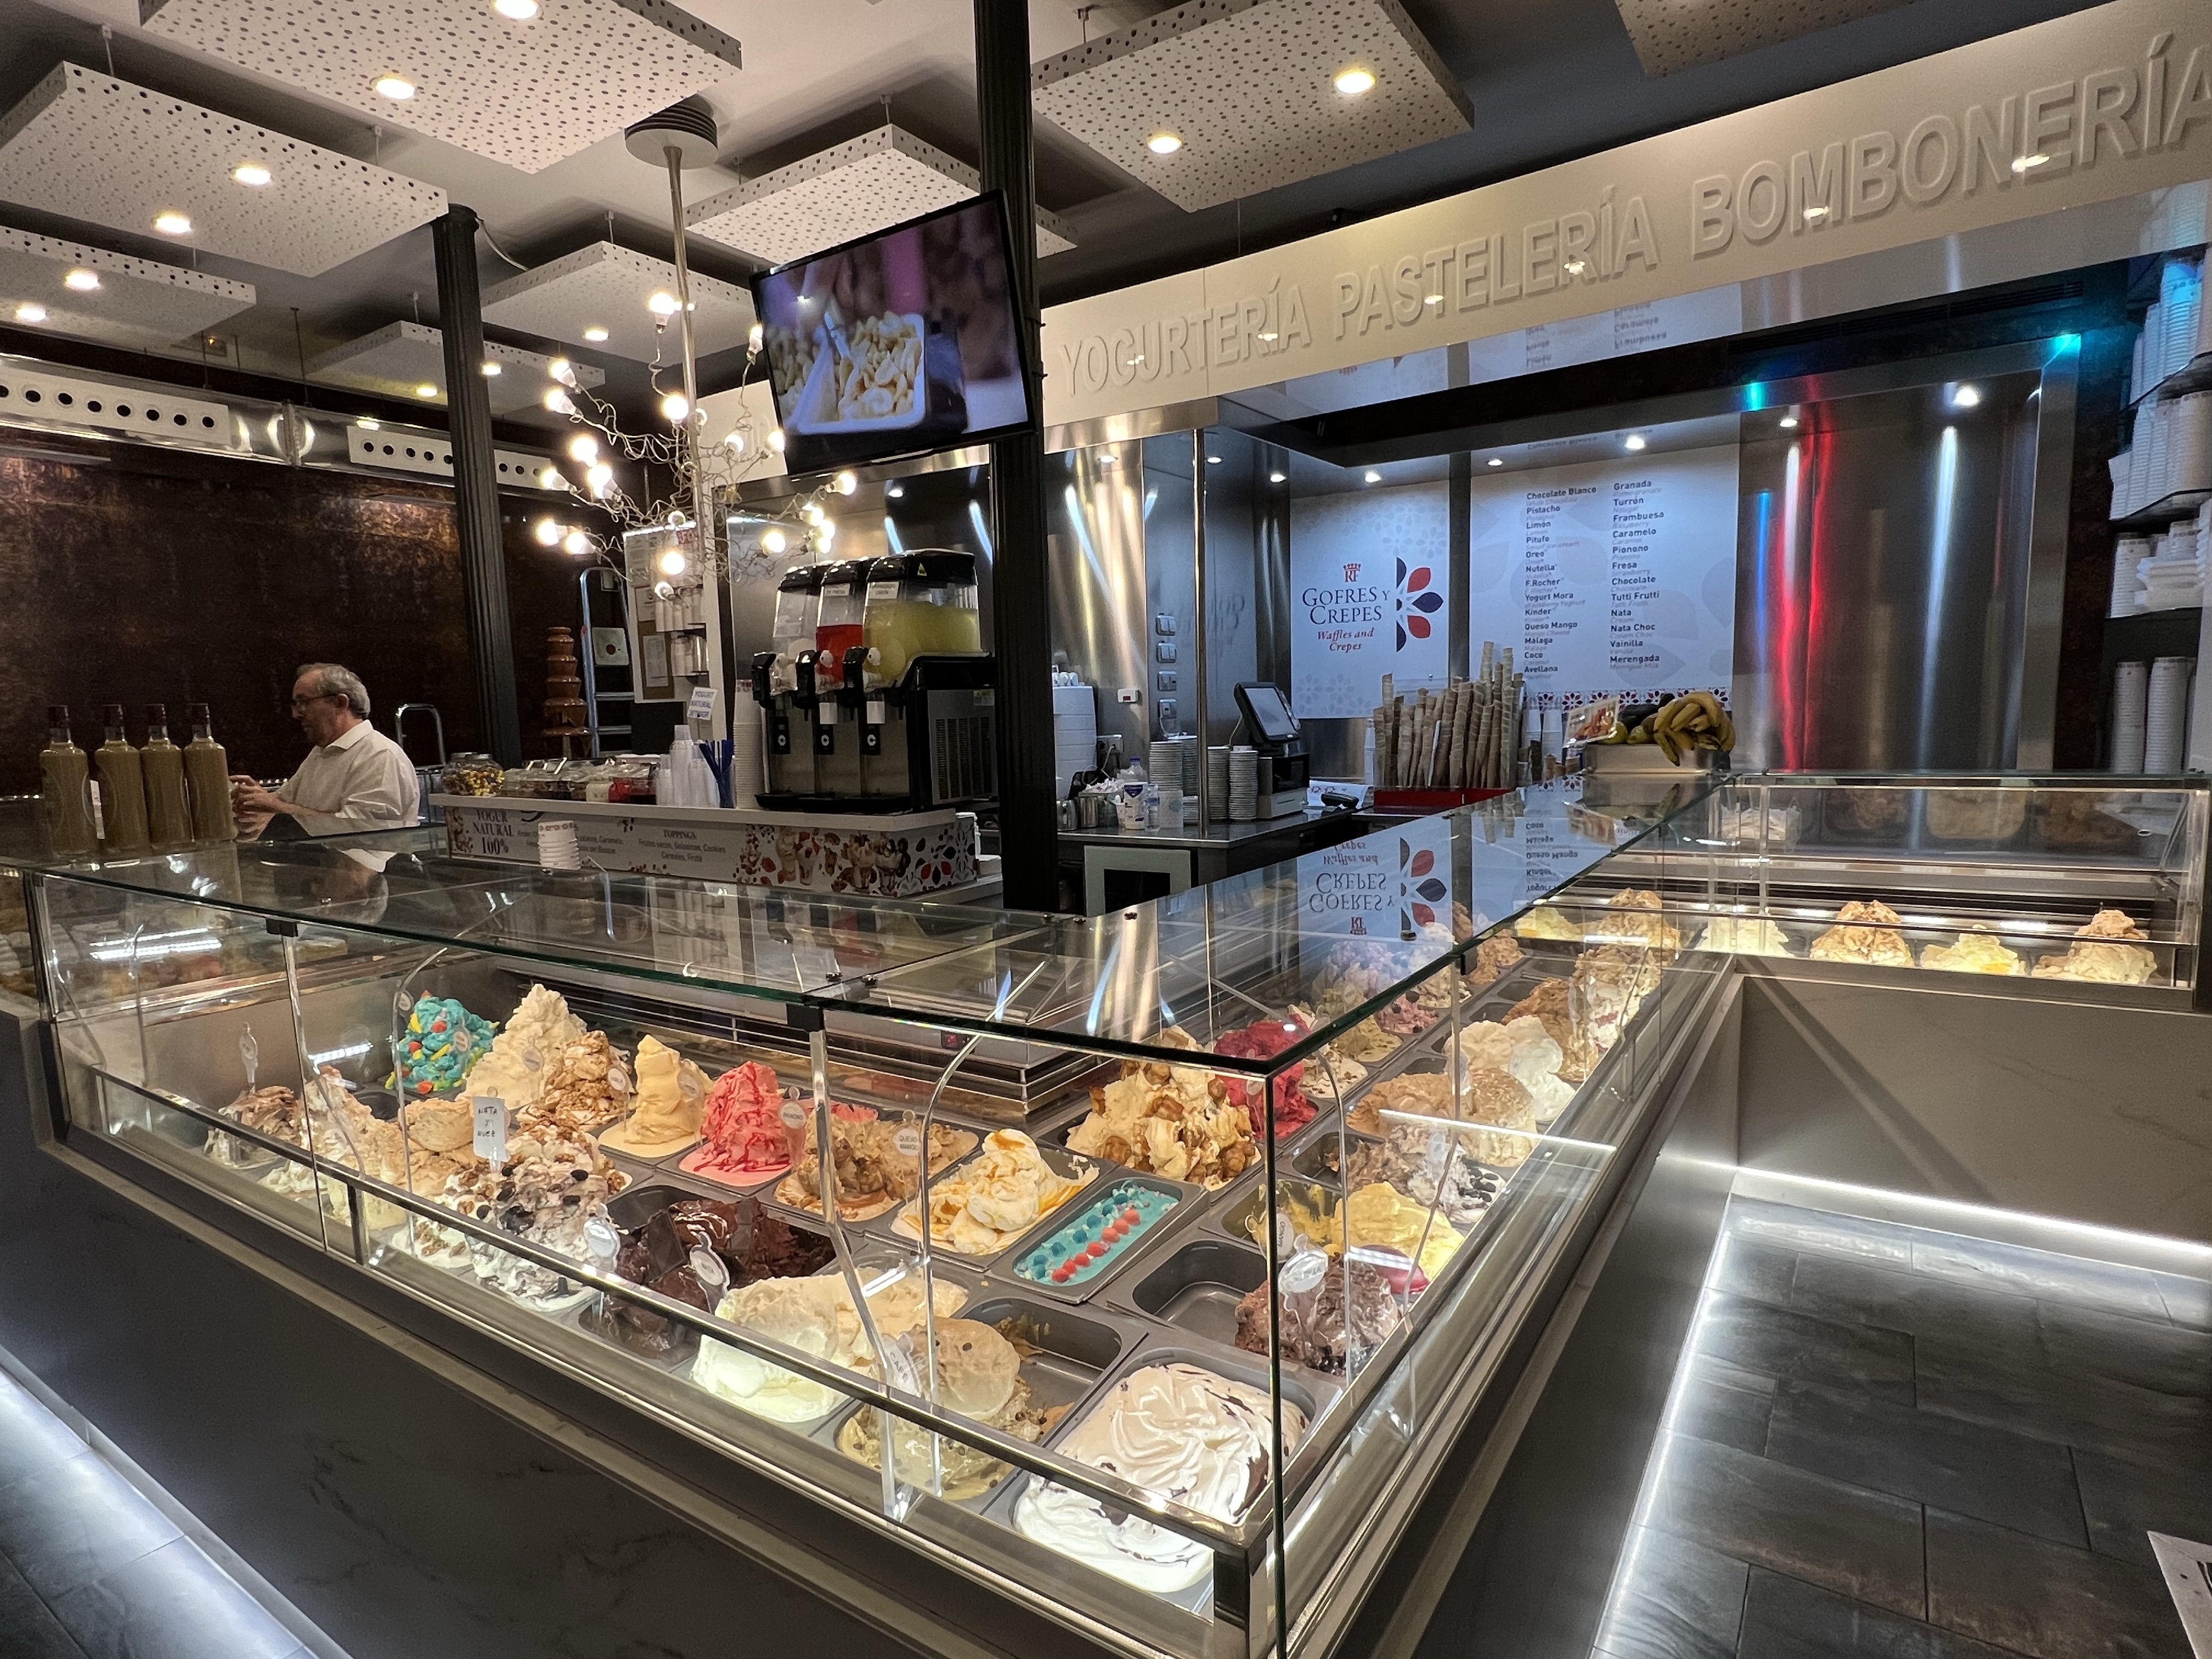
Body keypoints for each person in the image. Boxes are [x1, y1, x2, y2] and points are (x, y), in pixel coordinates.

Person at [231, 663, 420, 837]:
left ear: (340, 703)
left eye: (304, 702)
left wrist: (274, 805)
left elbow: (365, 833)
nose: (296, 714)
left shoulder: (379, 755)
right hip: (322, 861)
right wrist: (255, 798)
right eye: (296, 704)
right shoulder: (322, 752)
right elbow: (284, 803)